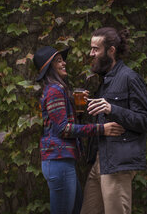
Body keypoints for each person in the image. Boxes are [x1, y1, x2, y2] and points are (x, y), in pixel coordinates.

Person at [33, 45, 125, 214]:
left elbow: (61, 124)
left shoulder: (57, 89)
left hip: (62, 161)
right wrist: (101, 129)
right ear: (49, 67)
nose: (64, 63)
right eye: (58, 61)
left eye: (63, 60)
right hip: (58, 162)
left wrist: (78, 111)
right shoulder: (54, 90)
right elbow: (63, 129)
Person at [80, 27, 147, 214]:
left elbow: (145, 121)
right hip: (99, 161)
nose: (91, 53)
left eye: (96, 49)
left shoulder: (130, 77)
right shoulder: (103, 82)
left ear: (111, 50)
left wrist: (112, 109)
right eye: (91, 48)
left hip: (118, 164)